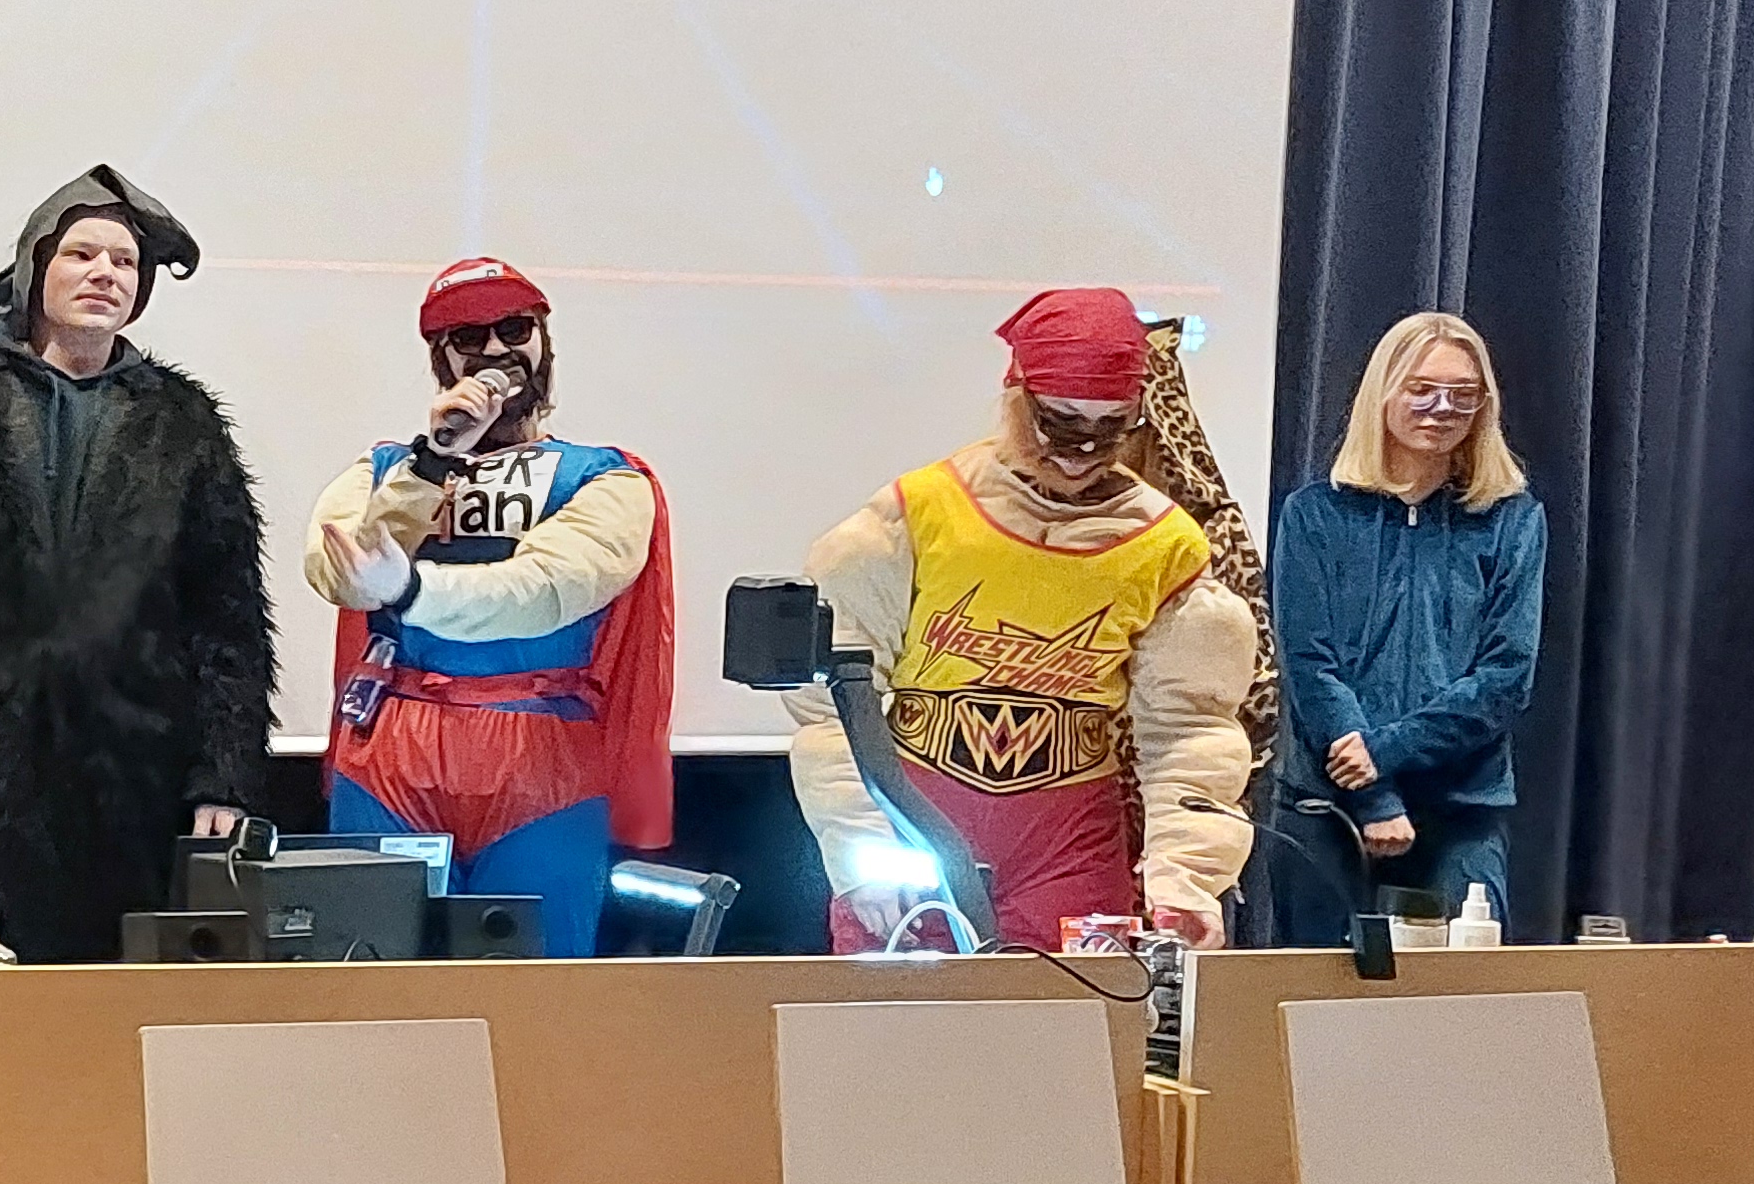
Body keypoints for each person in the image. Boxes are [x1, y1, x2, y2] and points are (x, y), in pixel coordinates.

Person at [0, 164, 273, 964]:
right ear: (35, 268)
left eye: (125, 262)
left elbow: (227, 615)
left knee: (111, 1007)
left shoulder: (181, 423)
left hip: (135, 786)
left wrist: (223, 776)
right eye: (81, 254)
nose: (105, 274)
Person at [787, 286, 1260, 949]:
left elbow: (1192, 729)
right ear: (1016, 397)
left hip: (1069, 841)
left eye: (1109, 427)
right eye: (1060, 422)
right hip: (914, 819)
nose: (1081, 449)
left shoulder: (1165, 546)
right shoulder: (918, 514)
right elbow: (832, 703)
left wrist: (1186, 876)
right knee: (898, 1011)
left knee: (1078, 1010)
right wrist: (861, 846)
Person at [301, 256, 674, 956]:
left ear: (544, 342)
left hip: (539, 755)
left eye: (514, 329)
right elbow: (340, 569)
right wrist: (432, 462)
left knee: (536, 984)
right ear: (440, 358)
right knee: (375, 977)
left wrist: (410, 591)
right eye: (470, 337)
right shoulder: (382, 469)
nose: (497, 350)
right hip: (392, 748)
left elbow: (550, 589)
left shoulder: (608, 478)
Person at [1263, 313, 1544, 935]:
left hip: (1460, 810)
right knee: (1314, 994)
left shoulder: (1512, 519)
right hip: (1328, 809)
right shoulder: (1314, 514)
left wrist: (1384, 751)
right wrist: (1373, 794)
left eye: (1463, 394)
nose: (1443, 408)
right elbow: (1311, 666)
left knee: (1460, 993)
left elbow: (1505, 676)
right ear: (1383, 393)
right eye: (1422, 389)